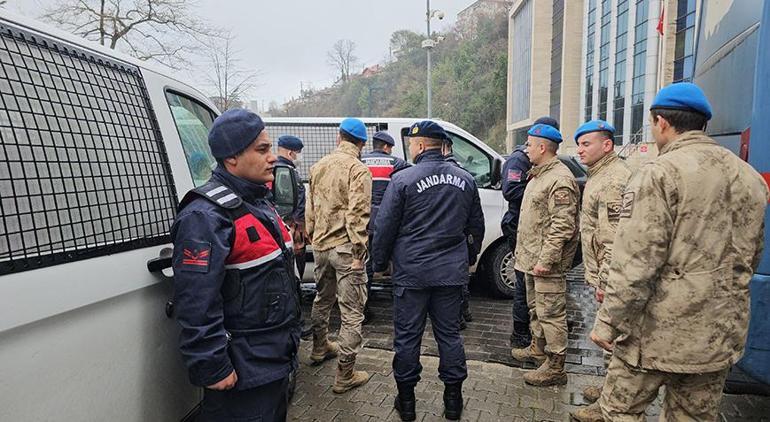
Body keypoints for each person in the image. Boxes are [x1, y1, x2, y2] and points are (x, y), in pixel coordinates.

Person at [590, 82, 769, 421]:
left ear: (661, 123)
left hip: (655, 334)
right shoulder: (749, 178)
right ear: (704, 123)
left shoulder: (659, 174)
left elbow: (636, 263)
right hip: (716, 337)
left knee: (620, 412)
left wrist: (608, 323)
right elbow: (750, 255)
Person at [171, 109, 300, 422]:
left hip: (273, 361)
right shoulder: (205, 216)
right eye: (262, 150)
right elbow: (196, 300)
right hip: (242, 372)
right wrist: (212, 365)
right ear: (231, 158)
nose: (273, 157)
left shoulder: (258, 203)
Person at [373, 121, 485, 421]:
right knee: (449, 336)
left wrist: (379, 263)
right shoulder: (466, 179)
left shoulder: (403, 180)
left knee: (408, 338)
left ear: (421, 146)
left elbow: (384, 228)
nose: (411, 147)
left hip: (411, 274)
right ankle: (453, 403)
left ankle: (407, 404)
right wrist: (468, 258)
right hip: (450, 274)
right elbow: (476, 226)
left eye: (412, 143)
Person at [567, 120, 631, 422]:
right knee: (611, 341)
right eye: (578, 144)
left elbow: (614, 241)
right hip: (602, 276)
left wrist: (605, 281)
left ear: (607, 145)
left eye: (586, 144)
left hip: (612, 279)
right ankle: (609, 390)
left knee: (613, 341)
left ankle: (612, 406)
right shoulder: (601, 174)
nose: (580, 150)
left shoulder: (614, 181)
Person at [306, 117, 373, 394]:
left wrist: (313, 236)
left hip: (320, 247)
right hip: (346, 249)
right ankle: (345, 374)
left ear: (338, 138)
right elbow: (358, 215)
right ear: (362, 143)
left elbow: (310, 209)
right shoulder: (359, 170)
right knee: (352, 312)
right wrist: (359, 252)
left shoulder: (317, 166)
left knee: (322, 299)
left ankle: (319, 347)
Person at [510, 123, 579, 387]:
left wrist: (546, 260)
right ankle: (538, 349)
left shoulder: (559, 179)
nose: (525, 150)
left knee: (551, 314)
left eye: (529, 144)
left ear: (542, 147)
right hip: (530, 259)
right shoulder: (539, 175)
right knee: (535, 309)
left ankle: (556, 366)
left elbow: (563, 226)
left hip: (545, 263)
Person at [502, 116, 559, 349]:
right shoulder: (519, 159)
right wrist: (539, 190)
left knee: (532, 284)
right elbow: (510, 190)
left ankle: (537, 330)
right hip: (518, 224)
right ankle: (520, 333)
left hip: (532, 226)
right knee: (523, 283)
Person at [361, 131, 410, 324]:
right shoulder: (396, 163)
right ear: (387, 147)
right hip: (389, 221)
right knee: (396, 261)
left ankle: (363, 307)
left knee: (366, 265)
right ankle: (402, 306)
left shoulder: (360, 160)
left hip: (364, 222)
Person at [274, 134, 312, 339]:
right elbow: (293, 203)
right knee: (294, 276)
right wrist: (299, 226)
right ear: (290, 152)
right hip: (292, 230)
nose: (298, 157)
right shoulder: (285, 171)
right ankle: (297, 324)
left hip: (288, 228)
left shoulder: (279, 169)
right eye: (297, 153)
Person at [441, 136, 474, 329]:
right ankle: (464, 312)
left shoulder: (437, 172)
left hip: (440, 236)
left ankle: (455, 317)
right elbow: (474, 214)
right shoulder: (463, 173)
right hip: (459, 235)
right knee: (460, 277)